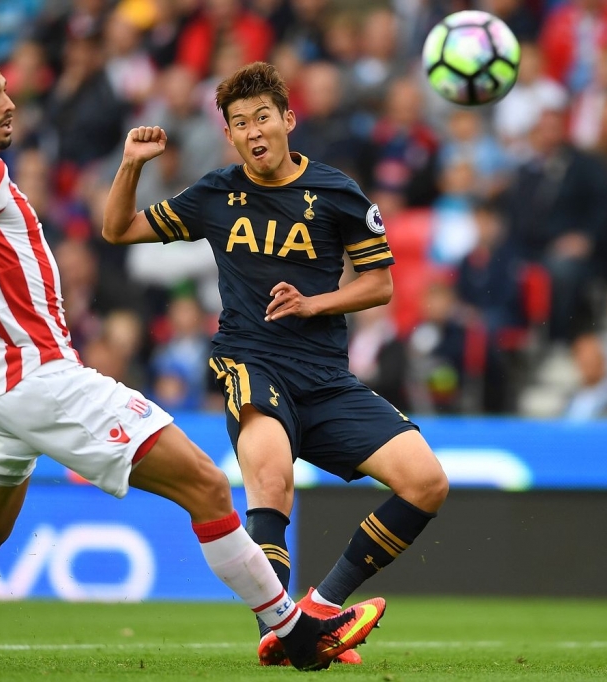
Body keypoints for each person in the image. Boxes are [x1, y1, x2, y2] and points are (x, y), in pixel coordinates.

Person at [0, 42, 384, 671]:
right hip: (38, 373)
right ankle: (295, 634)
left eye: (5, 87)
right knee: (208, 486)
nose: (8, 102)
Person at [102, 61, 448, 667]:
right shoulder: (215, 194)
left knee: (426, 483)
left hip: (325, 376)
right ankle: (286, 630)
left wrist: (315, 302)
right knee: (272, 481)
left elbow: (379, 286)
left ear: (288, 119)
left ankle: (316, 610)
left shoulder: (337, 192)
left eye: (263, 117)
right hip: (251, 359)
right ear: (230, 136)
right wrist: (130, 165)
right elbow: (118, 229)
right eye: (239, 123)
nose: (253, 131)